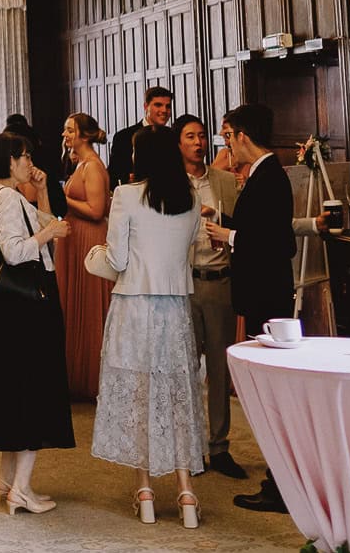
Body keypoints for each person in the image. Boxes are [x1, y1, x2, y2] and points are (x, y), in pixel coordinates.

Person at [91, 127, 206, 528]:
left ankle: (144, 491)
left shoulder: (125, 196)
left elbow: (118, 260)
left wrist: (97, 254)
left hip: (134, 306)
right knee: (177, 394)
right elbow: (194, 250)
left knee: (140, 395)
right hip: (175, 308)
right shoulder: (191, 195)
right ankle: (186, 490)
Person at [204, 101, 296, 514]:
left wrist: (230, 235)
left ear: (243, 136)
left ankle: (279, 486)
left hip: (268, 297)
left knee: (273, 393)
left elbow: (278, 243)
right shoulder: (263, 175)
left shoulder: (269, 176)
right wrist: (226, 220)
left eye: (228, 137)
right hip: (263, 294)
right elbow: (261, 225)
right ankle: (277, 480)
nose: (228, 146)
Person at [0, 132, 75, 514]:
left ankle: (8, 478)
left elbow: (48, 219)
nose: (29, 162)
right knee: (35, 391)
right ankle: (20, 488)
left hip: (9, 307)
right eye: (23, 157)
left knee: (13, 389)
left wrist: (43, 193)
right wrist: (48, 233)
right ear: (8, 160)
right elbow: (17, 251)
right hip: (27, 307)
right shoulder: (7, 199)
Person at [176, 113, 245, 478]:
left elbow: (239, 225)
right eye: (190, 136)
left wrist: (218, 215)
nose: (199, 142)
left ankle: (218, 446)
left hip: (219, 281)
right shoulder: (171, 184)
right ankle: (189, 445)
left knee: (218, 366)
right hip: (185, 281)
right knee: (186, 366)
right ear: (179, 144)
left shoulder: (223, 181)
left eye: (202, 136)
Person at [59, 113, 111, 400]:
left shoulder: (92, 166)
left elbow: (96, 210)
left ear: (84, 135)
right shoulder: (79, 164)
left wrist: (61, 197)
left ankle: (91, 375)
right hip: (75, 236)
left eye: (70, 130)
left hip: (89, 237)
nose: (65, 135)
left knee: (89, 306)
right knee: (76, 302)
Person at [108, 85, 175, 187]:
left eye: (168, 106)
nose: (164, 110)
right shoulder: (124, 137)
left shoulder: (173, 137)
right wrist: (128, 177)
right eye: (158, 105)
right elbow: (113, 175)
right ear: (145, 106)